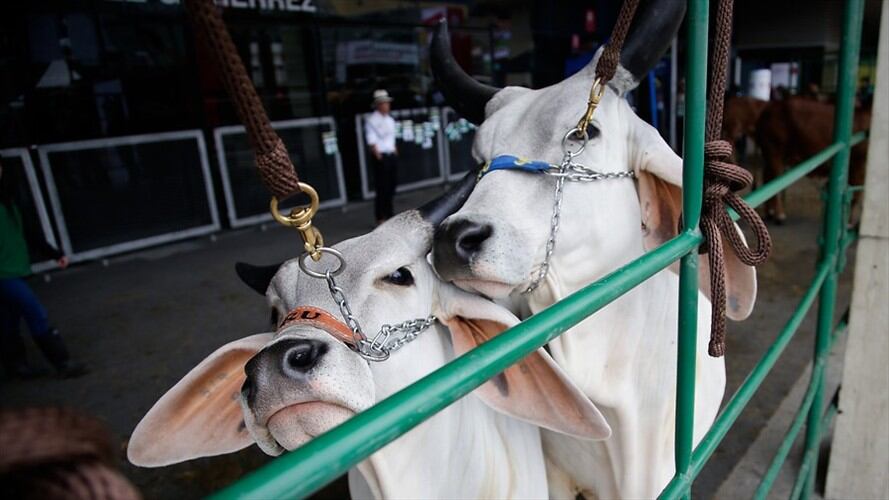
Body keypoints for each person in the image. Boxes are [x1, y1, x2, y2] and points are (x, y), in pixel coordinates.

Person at [0, 159, 88, 379]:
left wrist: (55, 254)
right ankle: (62, 361)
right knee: (34, 311)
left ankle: (16, 367)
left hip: (16, 269)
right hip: (4, 275)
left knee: (9, 321)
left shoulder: (9, 201)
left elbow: (28, 233)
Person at [364, 89, 399, 224]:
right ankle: (380, 216)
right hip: (381, 156)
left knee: (391, 184)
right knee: (382, 187)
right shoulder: (372, 120)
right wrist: (377, 154)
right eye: (384, 103)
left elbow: (392, 137)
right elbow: (372, 140)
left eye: (387, 103)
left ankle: (389, 212)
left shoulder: (390, 120)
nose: (386, 106)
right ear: (378, 105)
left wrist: (394, 150)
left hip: (390, 153)